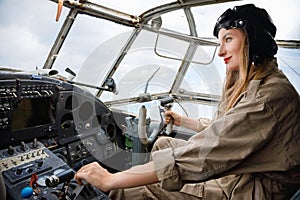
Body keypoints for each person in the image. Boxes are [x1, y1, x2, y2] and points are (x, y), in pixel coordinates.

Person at [75, 4, 300, 199]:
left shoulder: (268, 97)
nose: (220, 51)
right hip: (244, 172)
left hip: (249, 188)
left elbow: (211, 151)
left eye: (228, 39)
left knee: (132, 189)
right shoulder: (255, 82)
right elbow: (226, 128)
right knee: (163, 144)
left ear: (255, 42)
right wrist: (183, 121)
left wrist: (111, 180)